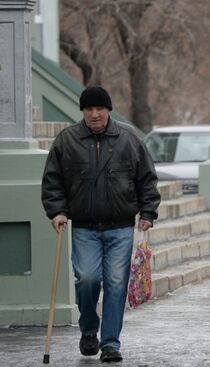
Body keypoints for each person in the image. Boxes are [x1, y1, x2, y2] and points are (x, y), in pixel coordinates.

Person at [41, 86, 161, 363]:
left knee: (117, 283)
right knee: (87, 279)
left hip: (120, 226)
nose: (95, 114)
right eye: (89, 109)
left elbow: (147, 179)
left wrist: (148, 213)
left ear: (108, 110)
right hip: (84, 227)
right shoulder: (67, 140)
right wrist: (57, 211)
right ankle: (88, 329)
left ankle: (110, 343)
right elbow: (53, 181)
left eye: (100, 109)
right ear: (82, 111)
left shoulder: (128, 139)